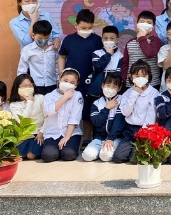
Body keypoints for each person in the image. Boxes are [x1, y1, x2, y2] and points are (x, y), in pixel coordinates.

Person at [57, 9, 103, 142]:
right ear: (76, 25)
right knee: (70, 110)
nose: (86, 30)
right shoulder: (69, 40)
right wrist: (61, 75)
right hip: (71, 83)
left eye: (89, 28)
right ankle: (69, 138)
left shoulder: (97, 40)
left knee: (88, 113)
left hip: (91, 83)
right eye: (83, 27)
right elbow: (61, 56)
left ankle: (87, 138)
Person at [113, 61, 159, 163]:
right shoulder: (128, 93)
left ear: (149, 76)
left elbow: (151, 115)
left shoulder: (154, 93)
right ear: (131, 77)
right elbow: (125, 112)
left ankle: (135, 150)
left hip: (144, 130)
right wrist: (134, 94)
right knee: (118, 157)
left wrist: (144, 133)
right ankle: (127, 147)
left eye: (144, 75)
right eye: (137, 75)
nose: (140, 78)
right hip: (130, 130)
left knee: (136, 159)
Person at [41, 68, 83, 162]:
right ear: (60, 79)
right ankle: (56, 150)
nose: (68, 84)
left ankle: (64, 149)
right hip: (52, 133)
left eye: (72, 82)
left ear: (76, 85)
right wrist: (64, 97)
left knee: (68, 155)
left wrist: (67, 137)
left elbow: (74, 118)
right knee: (48, 156)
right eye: (65, 81)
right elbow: (49, 111)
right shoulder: (49, 96)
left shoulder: (77, 96)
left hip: (71, 133)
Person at [82, 73, 125, 162]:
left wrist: (111, 139)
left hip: (115, 138)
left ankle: (104, 150)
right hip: (99, 138)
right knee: (87, 156)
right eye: (108, 85)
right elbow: (97, 122)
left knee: (105, 156)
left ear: (119, 88)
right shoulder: (97, 103)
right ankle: (99, 149)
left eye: (114, 87)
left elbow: (119, 123)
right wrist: (107, 108)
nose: (110, 89)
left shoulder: (122, 101)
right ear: (102, 86)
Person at [122, 11, 163, 90]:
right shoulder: (130, 42)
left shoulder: (156, 41)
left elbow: (149, 53)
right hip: (131, 85)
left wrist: (141, 38)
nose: (145, 24)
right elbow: (125, 63)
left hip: (152, 85)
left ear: (153, 26)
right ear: (137, 23)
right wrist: (124, 79)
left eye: (148, 22)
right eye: (142, 22)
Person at [17, 20, 58, 94]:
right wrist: (24, 85)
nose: (43, 40)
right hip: (36, 85)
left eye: (46, 38)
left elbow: (57, 65)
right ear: (33, 35)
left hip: (53, 83)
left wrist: (59, 79)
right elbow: (22, 69)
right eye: (40, 38)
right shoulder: (27, 50)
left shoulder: (53, 49)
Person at [10, 74, 45, 160]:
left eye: (30, 85)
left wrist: (42, 132)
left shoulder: (40, 98)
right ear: (17, 88)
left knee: (30, 155)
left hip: (39, 133)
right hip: (25, 134)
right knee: (16, 156)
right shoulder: (14, 105)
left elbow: (47, 117)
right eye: (25, 86)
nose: (28, 88)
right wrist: (29, 102)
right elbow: (22, 122)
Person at [89, 26, 123, 102]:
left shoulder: (120, 56)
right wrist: (108, 54)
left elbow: (118, 75)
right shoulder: (97, 53)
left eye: (112, 38)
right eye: (105, 38)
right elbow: (98, 67)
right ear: (102, 39)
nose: (108, 40)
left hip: (112, 92)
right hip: (97, 92)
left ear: (117, 40)